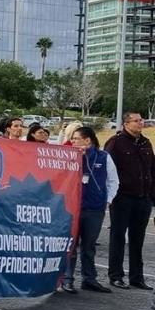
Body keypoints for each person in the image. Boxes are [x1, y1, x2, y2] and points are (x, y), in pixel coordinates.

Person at [60, 126, 119, 294]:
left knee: (89, 246)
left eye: (76, 138)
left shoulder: (104, 157)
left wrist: (107, 200)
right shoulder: (68, 156)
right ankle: (67, 279)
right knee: (70, 246)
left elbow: (113, 181)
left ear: (88, 140)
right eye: (72, 139)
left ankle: (89, 279)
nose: (73, 142)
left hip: (94, 209)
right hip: (71, 208)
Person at [104, 111, 155, 290]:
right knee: (118, 237)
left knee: (138, 239)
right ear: (126, 124)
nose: (141, 123)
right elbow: (108, 170)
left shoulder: (145, 143)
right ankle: (116, 275)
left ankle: (137, 277)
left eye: (141, 120)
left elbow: (152, 171)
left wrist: (151, 196)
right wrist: (111, 195)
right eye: (136, 121)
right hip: (122, 197)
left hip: (143, 198)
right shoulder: (115, 143)